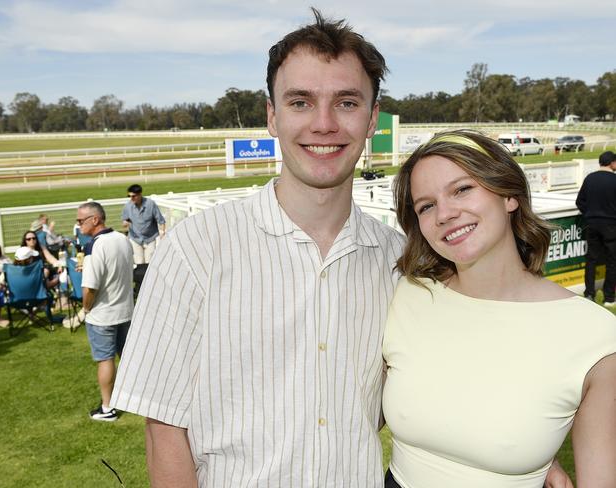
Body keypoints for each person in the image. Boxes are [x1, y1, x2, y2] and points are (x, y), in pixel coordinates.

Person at [111, 12, 570, 488]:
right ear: (272, 115)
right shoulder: (196, 247)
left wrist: (531, 453)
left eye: (346, 102)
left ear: (372, 118)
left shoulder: (400, 261)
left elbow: (449, 381)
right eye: (301, 102)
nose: (324, 124)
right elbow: (164, 426)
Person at [383, 130, 616, 487]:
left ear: (509, 194)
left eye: (462, 189)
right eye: (426, 206)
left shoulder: (596, 337)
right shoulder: (406, 294)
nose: (444, 213)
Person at [77, 202, 134, 422]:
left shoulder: (94, 246)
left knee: (105, 359)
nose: (78, 225)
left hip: (103, 314)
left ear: (95, 219)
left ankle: (108, 407)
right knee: (127, 358)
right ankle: (136, 399)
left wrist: (85, 308)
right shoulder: (122, 239)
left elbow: (90, 287)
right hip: (125, 309)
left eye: (81, 220)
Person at [576, 150, 616, 306]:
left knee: (591, 260)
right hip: (611, 226)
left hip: (592, 224)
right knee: (612, 262)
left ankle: (589, 294)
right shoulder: (614, 180)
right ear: (612, 163)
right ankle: (609, 298)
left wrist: (590, 214)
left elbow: (580, 202)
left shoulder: (590, 178)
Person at [121, 184, 165, 264]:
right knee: (139, 263)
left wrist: (162, 234)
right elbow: (124, 221)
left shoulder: (151, 204)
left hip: (150, 238)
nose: (131, 198)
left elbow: (161, 221)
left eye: (133, 196)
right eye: (129, 196)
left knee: (149, 263)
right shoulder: (127, 206)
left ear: (140, 194)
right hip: (135, 239)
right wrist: (125, 223)